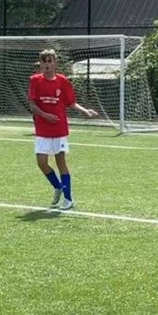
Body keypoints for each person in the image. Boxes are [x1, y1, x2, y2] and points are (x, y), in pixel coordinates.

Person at [27, 49, 98, 210]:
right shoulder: (35, 80)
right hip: (42, 129)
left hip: (59, 128)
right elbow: (32, 104)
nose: (47, 64)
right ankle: (58, 186)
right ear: (40, 64)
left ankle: (68, 199)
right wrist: (45, 115)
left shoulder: (63, 81)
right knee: (41, 162)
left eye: (50, 61)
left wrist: (85, 111)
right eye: (44, 61)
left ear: (55, 63)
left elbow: (71, 103)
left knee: (61, 163)